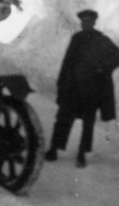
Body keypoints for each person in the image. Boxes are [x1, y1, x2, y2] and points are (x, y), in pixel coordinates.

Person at [45, 9, 119, 167]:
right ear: (81, 22)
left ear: (93, 23)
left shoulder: (101, 39)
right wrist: (62, 83)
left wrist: (102, 68)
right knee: (63, 119)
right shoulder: (76, 38)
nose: (86, 24)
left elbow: (117, 56)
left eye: (89, 21)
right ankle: (53, 149)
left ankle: (81, 154)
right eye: (84, 21)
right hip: (72, 87)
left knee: (88, 122)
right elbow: (67, 62)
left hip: (91, 89)